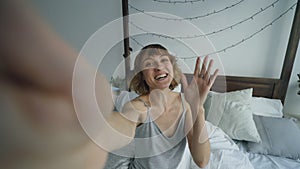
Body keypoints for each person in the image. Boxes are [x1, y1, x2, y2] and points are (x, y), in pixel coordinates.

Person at [104, 44, 219, 168]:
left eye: (164, 60)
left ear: (172, 67)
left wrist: (198, 108)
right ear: (142, 75)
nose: (158, 67)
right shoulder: (137, 107)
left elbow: (202, 161)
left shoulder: (186, 105)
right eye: (149, 64)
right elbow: (126, 119)